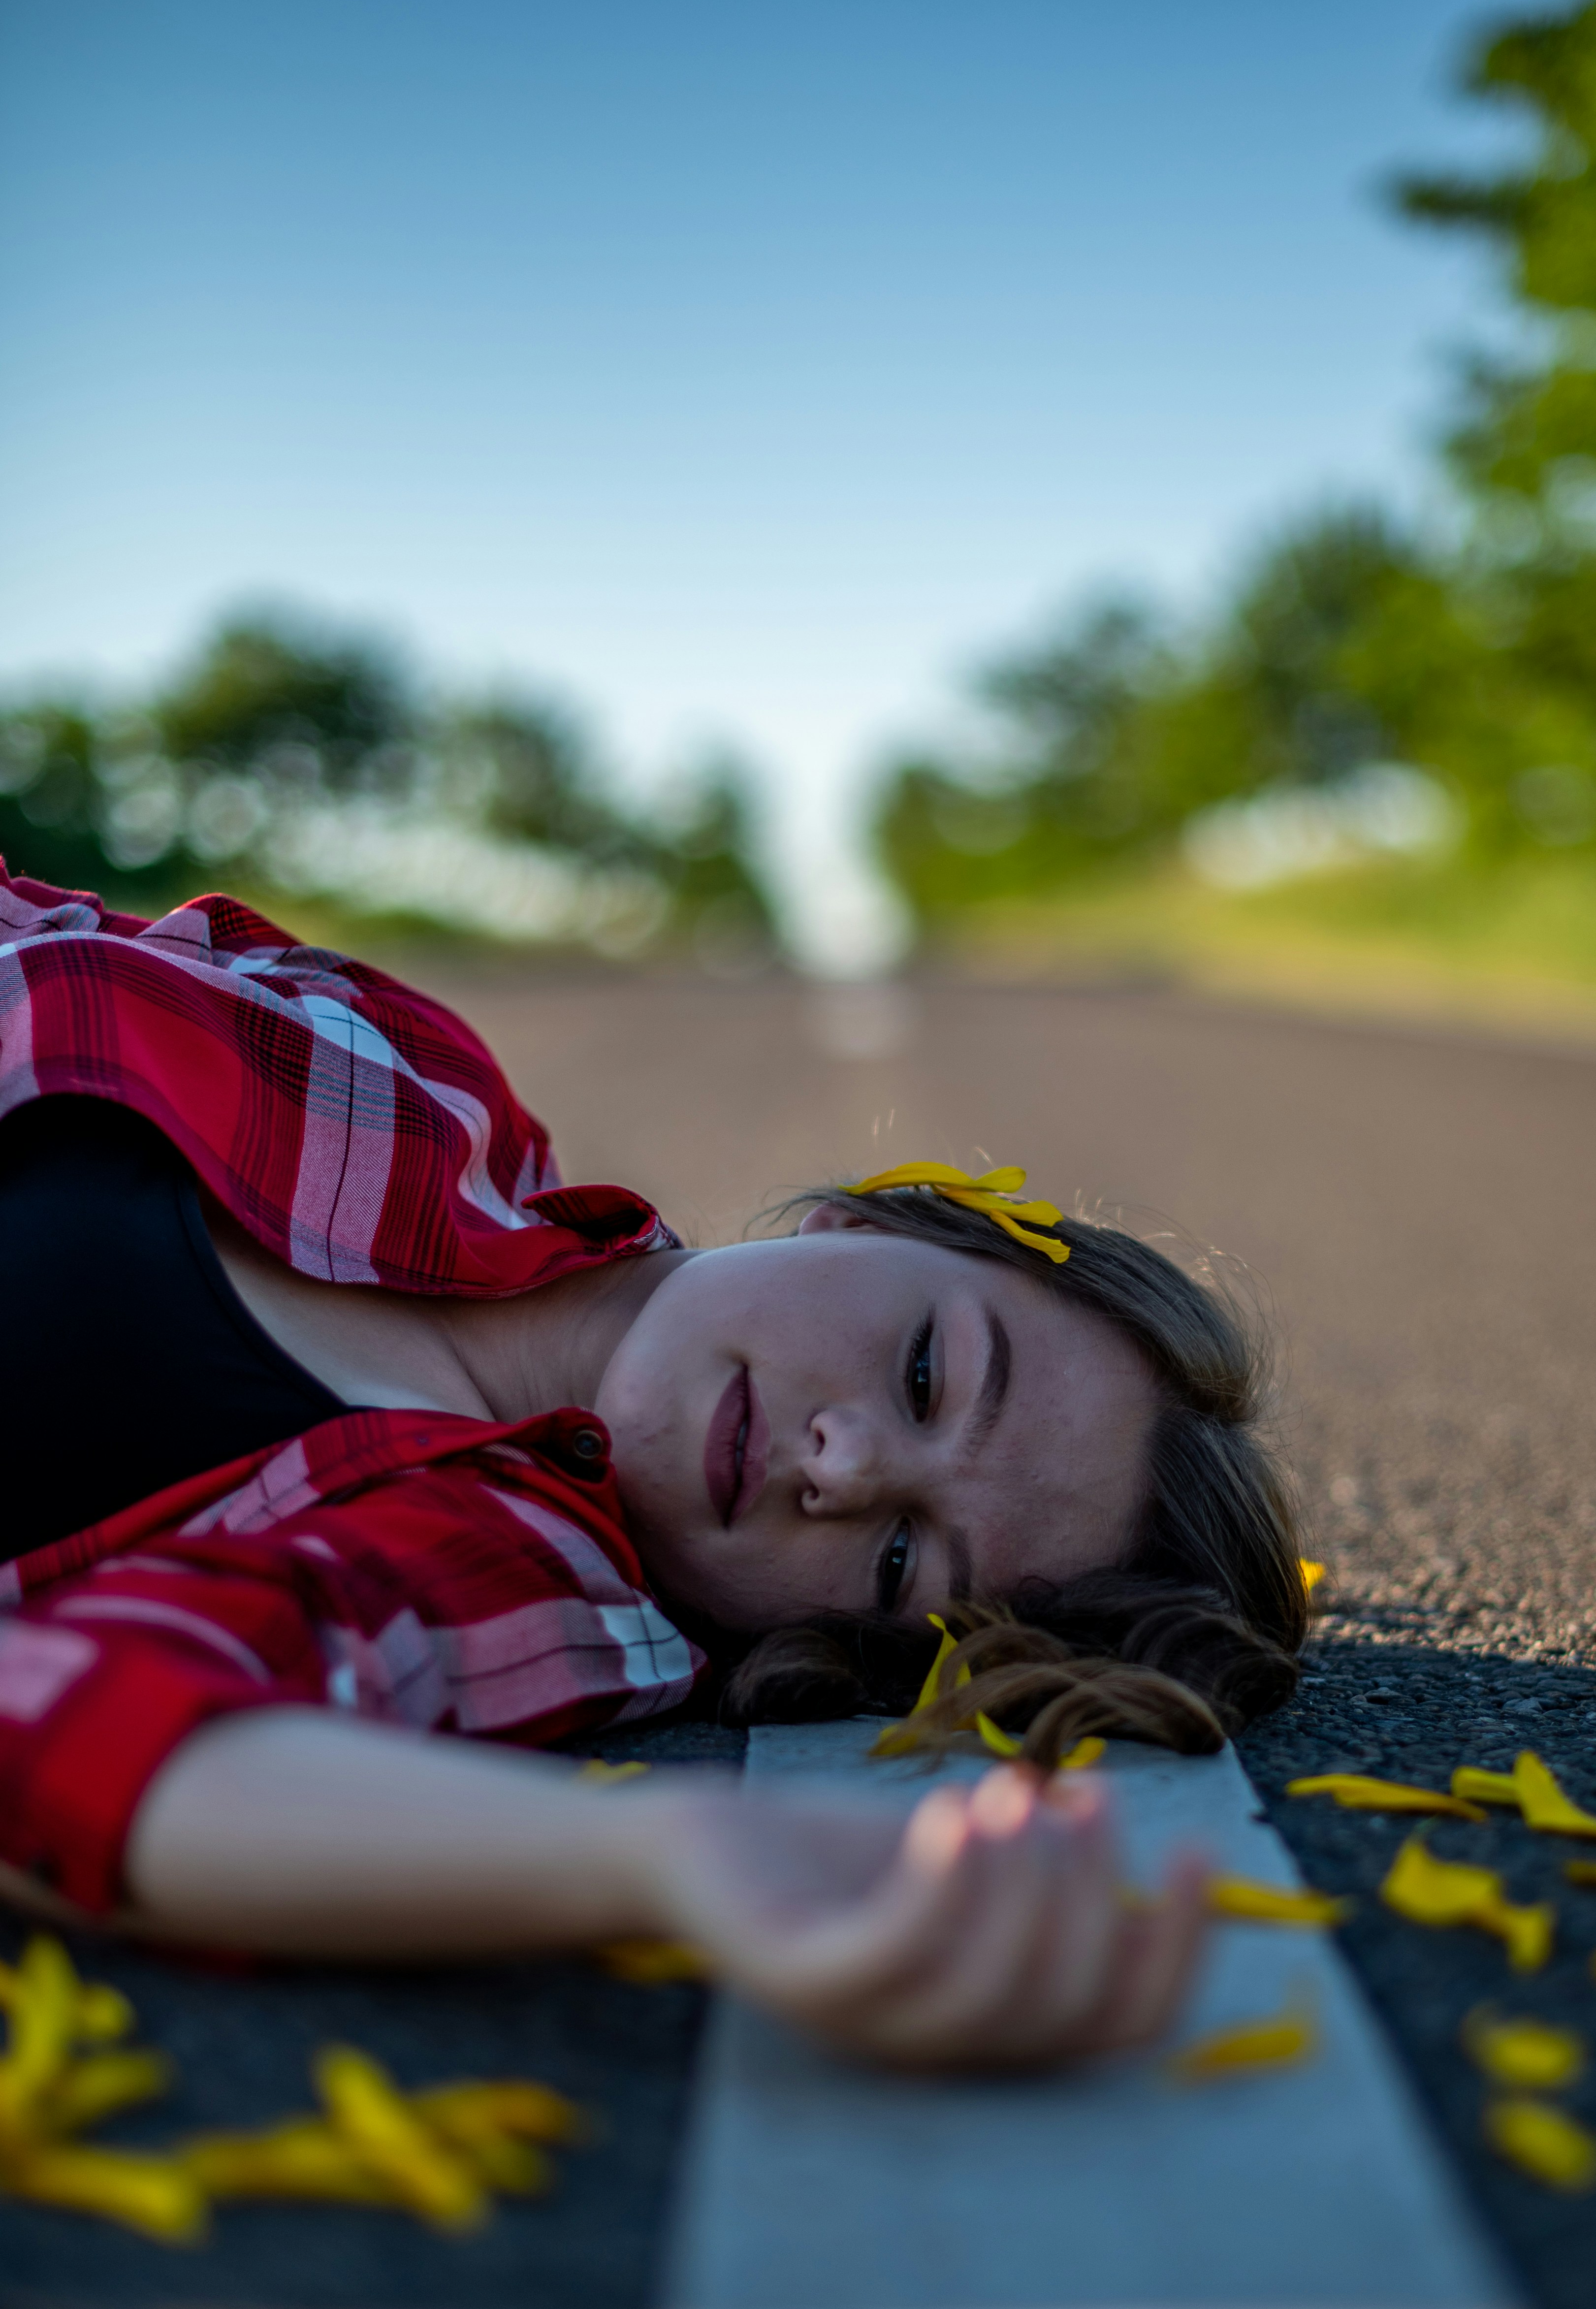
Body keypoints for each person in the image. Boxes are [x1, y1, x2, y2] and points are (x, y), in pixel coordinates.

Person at [0, 863, 1307, 2066]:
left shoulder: (521, 1580)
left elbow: (67, 1727)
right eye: (925, 1375)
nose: (843, 1470)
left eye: (900, 1556)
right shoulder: (422, 1079)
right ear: (855, 1223)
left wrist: (666, 1854)